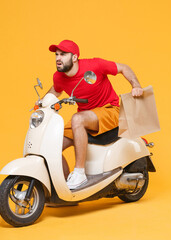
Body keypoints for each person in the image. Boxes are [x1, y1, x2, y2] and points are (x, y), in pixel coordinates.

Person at [46, 40, 143, 190]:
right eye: (57, 55)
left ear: (74, 57)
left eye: (63, 54)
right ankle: (64, 188)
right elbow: (55, 90)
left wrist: (136, 85)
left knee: (77, 119)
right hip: (86, 117)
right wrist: (41, 104)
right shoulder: (59, 77)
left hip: (110, 110)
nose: (58, 58)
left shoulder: (94, 66)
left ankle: (79, 173)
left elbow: (123, 68)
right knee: (51, 145)